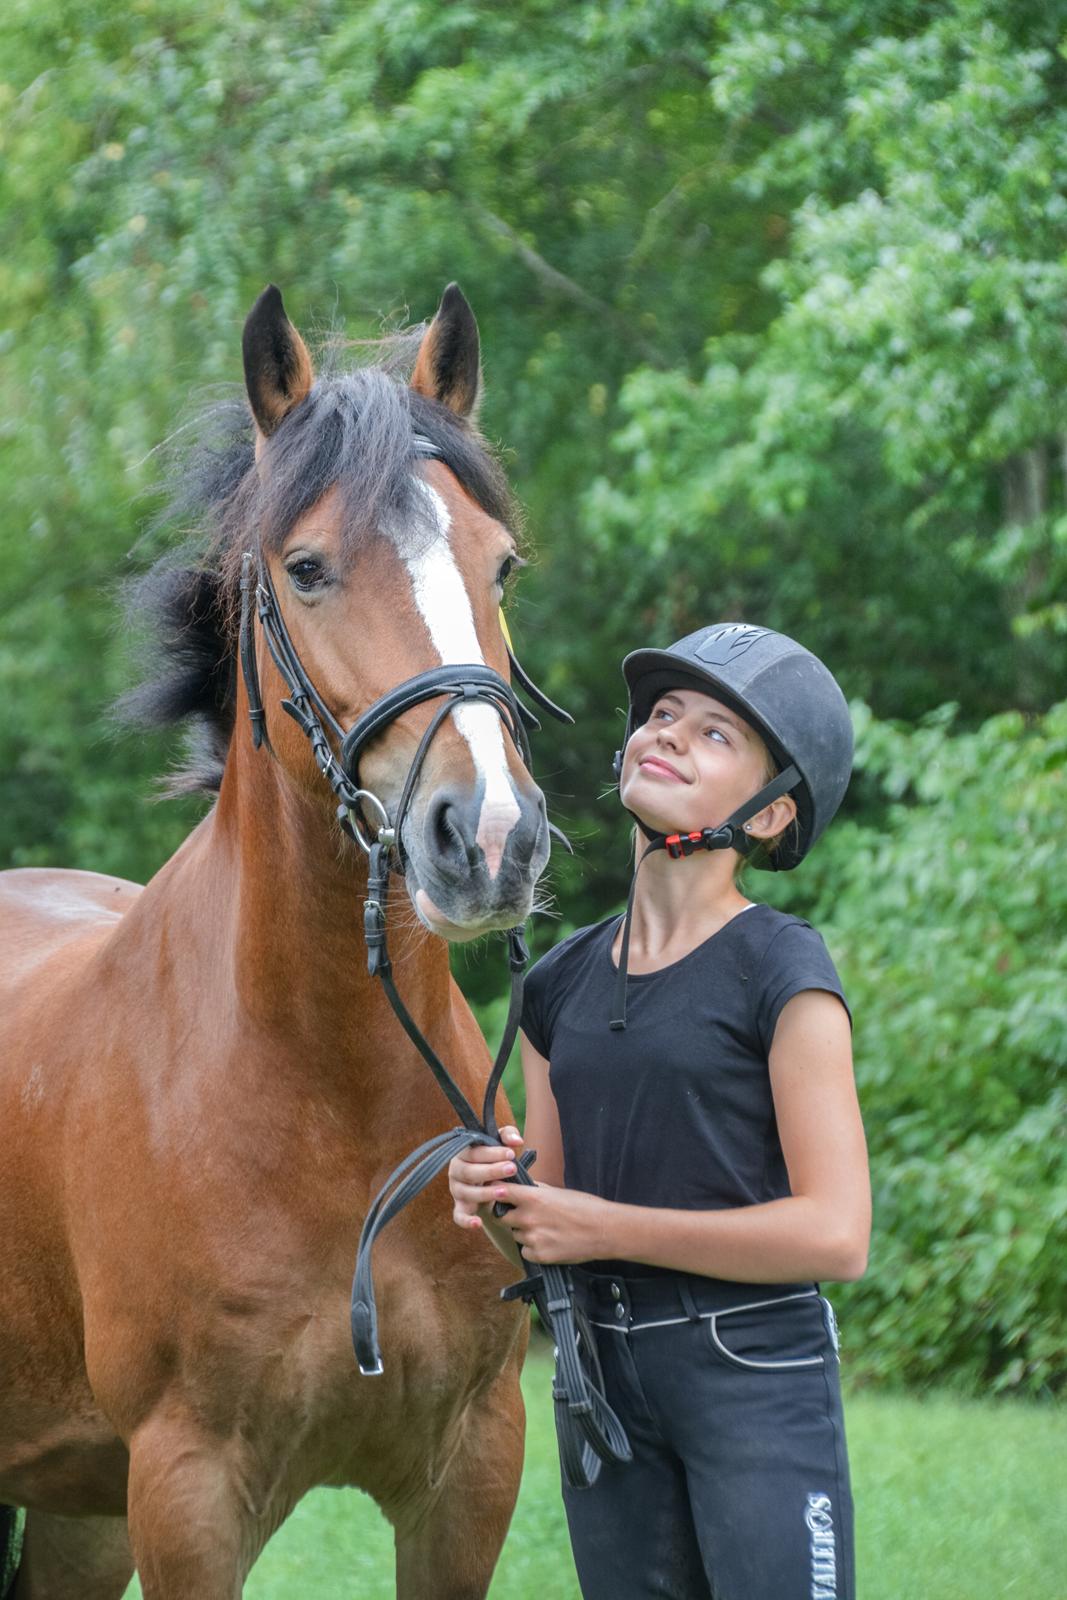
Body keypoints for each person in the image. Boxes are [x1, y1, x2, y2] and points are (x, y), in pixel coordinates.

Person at [448, 622, 870, 1600]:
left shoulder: (781, 968)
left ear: (767, 816)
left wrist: (599, 1225)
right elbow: (549, 1219)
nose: (668, 734)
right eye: (661, 715)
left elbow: (835, 1233)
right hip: (600, 1374)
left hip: (752, 1368)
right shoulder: (552, 983)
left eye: (716, 734)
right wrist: (503, 1192)